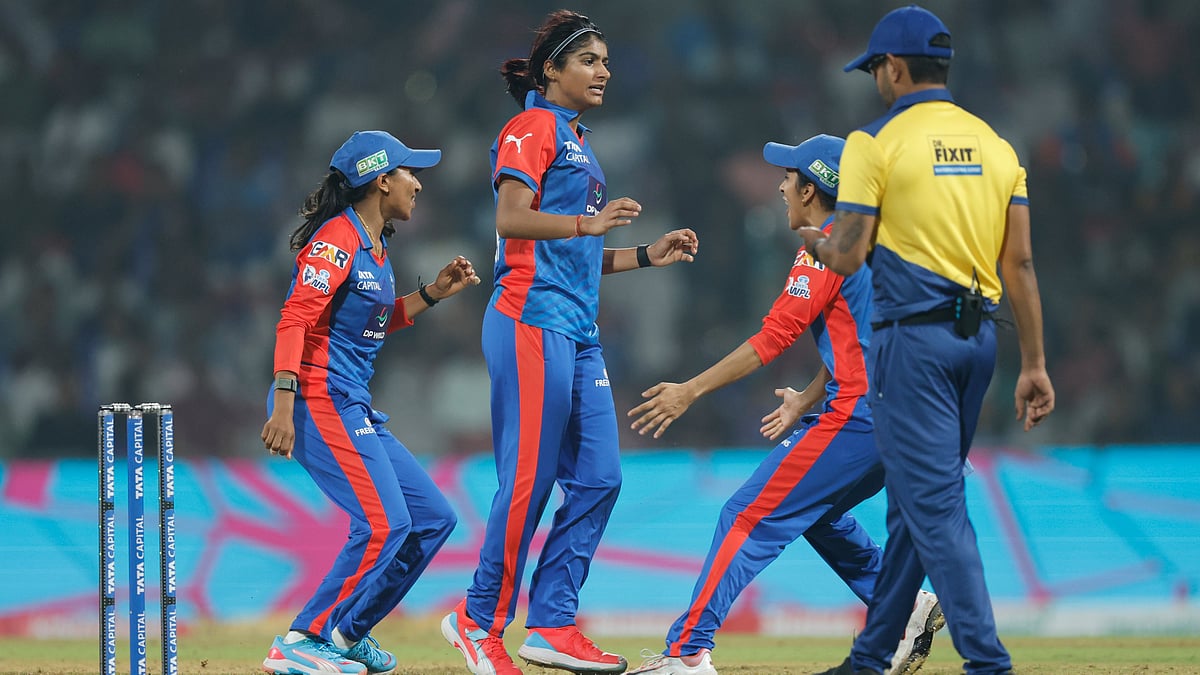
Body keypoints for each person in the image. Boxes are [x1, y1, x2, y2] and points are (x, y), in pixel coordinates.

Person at [440, 10, 700, 675]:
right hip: (529, 319)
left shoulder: (578, 140)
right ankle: (477, 620)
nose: (604, 70)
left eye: (608, 60)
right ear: (551, 69)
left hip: (577, 332)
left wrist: (646, 254)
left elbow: (578, 252)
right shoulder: (531, 127)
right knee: (528, 479)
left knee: (602, 476)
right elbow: (511, 217)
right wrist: (588, 222)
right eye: (589, 60)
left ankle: (552, 621)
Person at [624, 136, 942, 675]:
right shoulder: (875, 241)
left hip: (863, 417)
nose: (780, 185)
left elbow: (774, 337)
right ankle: (903, 605)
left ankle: (686, 654)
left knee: (744, 515)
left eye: (788, 176)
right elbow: (862, 339)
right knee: (817, 513)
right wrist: (808, 398)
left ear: (812, 189)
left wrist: (690, 390)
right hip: (907, 417)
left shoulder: (825, 247)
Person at [800, 6, 1055, 675]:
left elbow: (850, 253)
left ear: (894, 67)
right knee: (916, 507)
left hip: (912, 343)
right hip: (981, 347)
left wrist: (817, 244)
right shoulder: (997, 146)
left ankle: (987, 663)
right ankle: (870, 658)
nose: (876, 79)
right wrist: (1035, 362)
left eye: (877, 68)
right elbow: (1019, 264)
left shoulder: (873, 143)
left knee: (935, 505)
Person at [260, 130, 481, 675]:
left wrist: (432, 294)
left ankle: (346, 631)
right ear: (382, 180)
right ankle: (299, 639)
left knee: (432, 518)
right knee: (382, 524)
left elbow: (375, 324)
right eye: (411, 173)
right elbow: (295, 318)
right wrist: (285, 405)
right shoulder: (336, 240)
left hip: (351, 402)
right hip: (316, 396)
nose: (418, 184)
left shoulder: (374, 246)